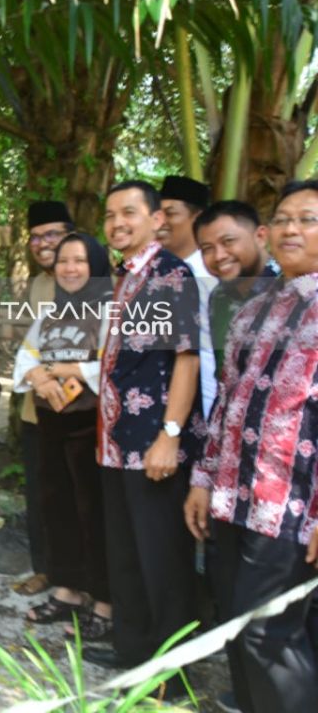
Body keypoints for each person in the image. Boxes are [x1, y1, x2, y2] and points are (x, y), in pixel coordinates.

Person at [184, 181, 318, 713]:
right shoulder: (254, 309)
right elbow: (227, 405)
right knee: (238, 628)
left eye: (307, 219)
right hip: (230, 497)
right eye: (283, 218)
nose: (291, 229)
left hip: (289, 506)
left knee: (270, 635)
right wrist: (201, 481)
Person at [86, 180, 205, 683]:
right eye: (110, 214)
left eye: (129, 212)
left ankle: (171, 676)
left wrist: (170, 435)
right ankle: (133, 652)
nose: (117, 223)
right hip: (115, 442)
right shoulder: (125, 276)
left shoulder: (169, 274)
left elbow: (186, 357)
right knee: (128, 554)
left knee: (164, 561)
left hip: (153, 442)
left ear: (158, 219)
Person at [13, 233, 112, 641]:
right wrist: (38, 374)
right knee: (58, 509)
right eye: (64, 262)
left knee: (96, 513)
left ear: (96, 267)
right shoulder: (53, 311)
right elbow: (25, 355)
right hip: (51, 422)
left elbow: (114, 365)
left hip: (92, 425)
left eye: (80, 261)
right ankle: (68, 591)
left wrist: (67, 371)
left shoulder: (112, 310)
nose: (70, 269)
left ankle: (105, 601)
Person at [13, 200, 72, 596]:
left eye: (52, 234)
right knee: (40, 492)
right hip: (38, 408)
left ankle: (76, 578)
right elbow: (29, 343)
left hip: (81, 409)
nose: (43, 243)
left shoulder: (99, 280)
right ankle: (45, 569)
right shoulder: (37, 285)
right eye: (36, 237)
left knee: (76, 495)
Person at [194, 201, 278, 375]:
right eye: (207, 249)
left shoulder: (293, 288)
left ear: (261, 237)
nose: (219, 256)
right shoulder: (218, 297)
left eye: (228, 241)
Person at [157, 175, 217, 417]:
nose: (161, 222)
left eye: (170, 213)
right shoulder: (154, 274)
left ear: (198, 217)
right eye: (157, 214)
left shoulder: (212, 274)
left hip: (204, 406)